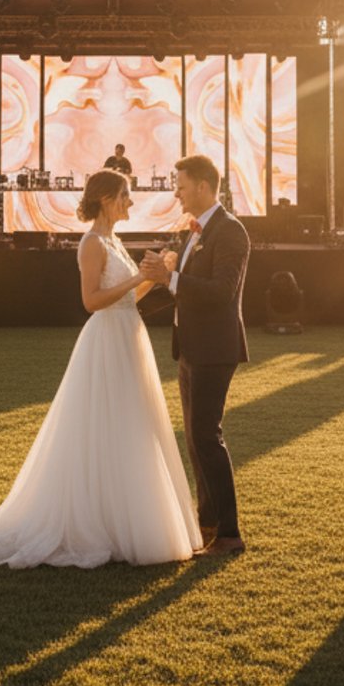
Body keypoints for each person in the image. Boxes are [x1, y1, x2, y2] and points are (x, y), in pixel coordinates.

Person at [0, 170, 201, 567]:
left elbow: (130, 297)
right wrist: (139, 274)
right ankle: (98, 521)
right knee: (102, 424)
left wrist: (154, 276)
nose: (130, 204)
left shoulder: (114, 240)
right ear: (104, 199)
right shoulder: (91, 243)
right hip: (106, 340)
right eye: (125, 196)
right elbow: (92, 301)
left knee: (131, 424)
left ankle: (122, 516)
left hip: (128, 336)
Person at [139, 154, 251, 556]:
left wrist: (168, 276)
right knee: (195, 439)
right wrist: (149, 289)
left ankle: (229, 532)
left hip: (214, 349)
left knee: (207, 436)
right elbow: (183, 289)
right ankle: (208, 524)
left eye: (181, 185)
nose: (177, 192)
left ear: (204, 187)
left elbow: (222, 291)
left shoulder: (231, 231)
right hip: (189, 348)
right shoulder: (194, 232)